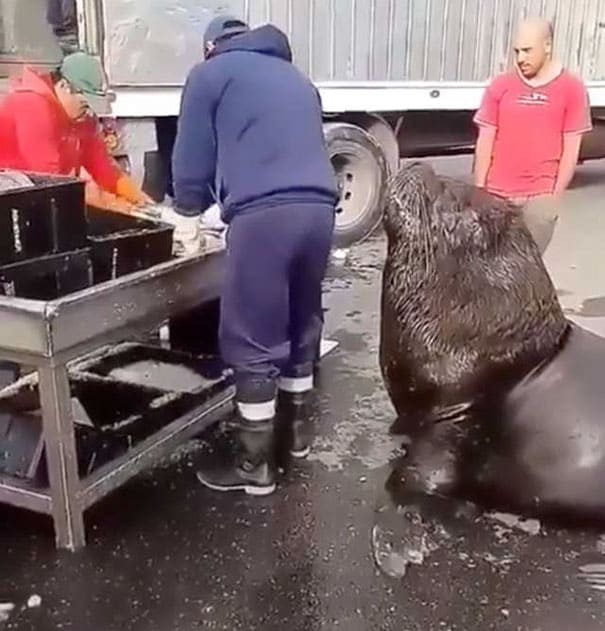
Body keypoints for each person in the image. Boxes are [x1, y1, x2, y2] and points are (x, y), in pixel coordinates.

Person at [169, 15, 337, 496]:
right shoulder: (298, 80)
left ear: (210, 48)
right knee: (302, 319)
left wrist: (187, 212)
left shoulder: (210, 74)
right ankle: (295, 439)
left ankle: (255, 467)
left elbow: (193, 156)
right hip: (320, 209)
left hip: (266, 215)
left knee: (252, 333)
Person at [473, 17, 592, 254]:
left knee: (523, 268)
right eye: (517, 51)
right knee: (490, 269)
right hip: (497, 196)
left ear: (547, 46)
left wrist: (553, 199)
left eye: (527, 51)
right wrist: (479, 192)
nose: (520, 58)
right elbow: (485, 140)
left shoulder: (572, 88)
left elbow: (571, 148)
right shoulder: (500, 85)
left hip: (539, 198)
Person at [0, 51, 152, 214]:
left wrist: (140, 199)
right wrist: (120, 207)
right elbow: (53, 180)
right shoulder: (32, 105)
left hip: (43, 192)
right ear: (65, 87)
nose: (89, 113)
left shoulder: (82, 115)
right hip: (11, 194)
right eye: (85, 104)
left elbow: (102, 165)